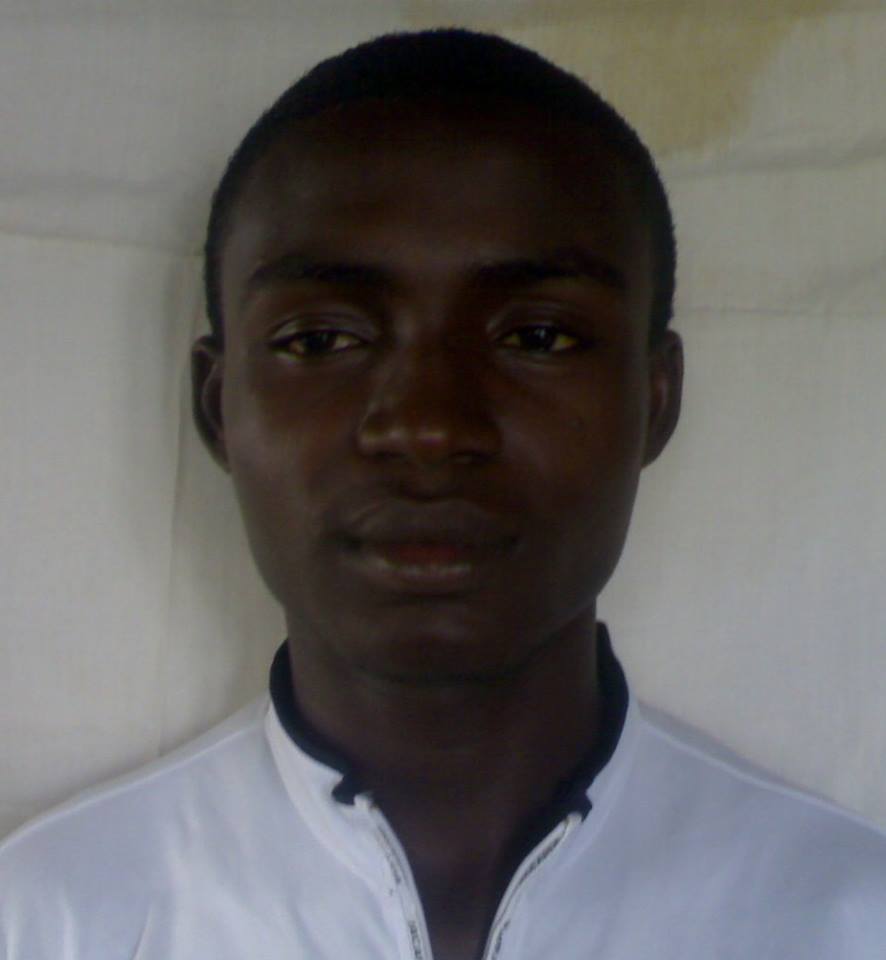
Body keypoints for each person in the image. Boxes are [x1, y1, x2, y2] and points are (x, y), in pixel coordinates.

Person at [1, 28, 884, 960]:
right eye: (320, 341)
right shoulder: (50, 922)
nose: (427, 428)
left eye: (538, 338)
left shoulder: (847, 918)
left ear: (655, 402)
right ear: (218, 410)